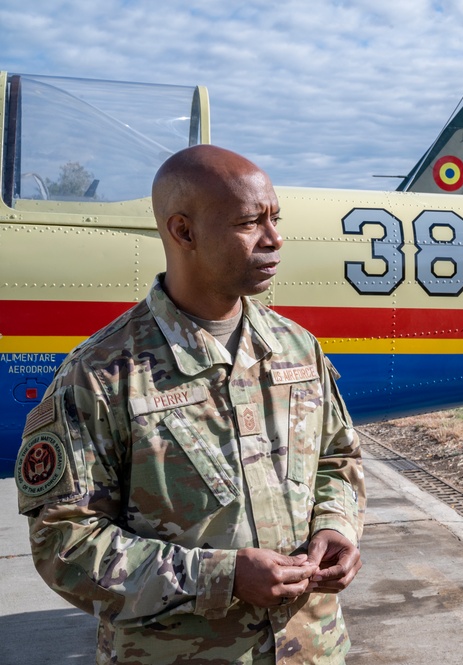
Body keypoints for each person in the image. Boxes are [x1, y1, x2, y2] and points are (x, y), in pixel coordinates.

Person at [14, 144, 366, 664]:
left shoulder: (296, 348)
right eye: (250, 223)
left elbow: (337, 458)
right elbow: (65, 545)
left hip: (312, 651)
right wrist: (219, 577)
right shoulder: (102, 374)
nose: (275, 240)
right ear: (183, 232)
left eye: (275, 219)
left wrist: (335, 526)